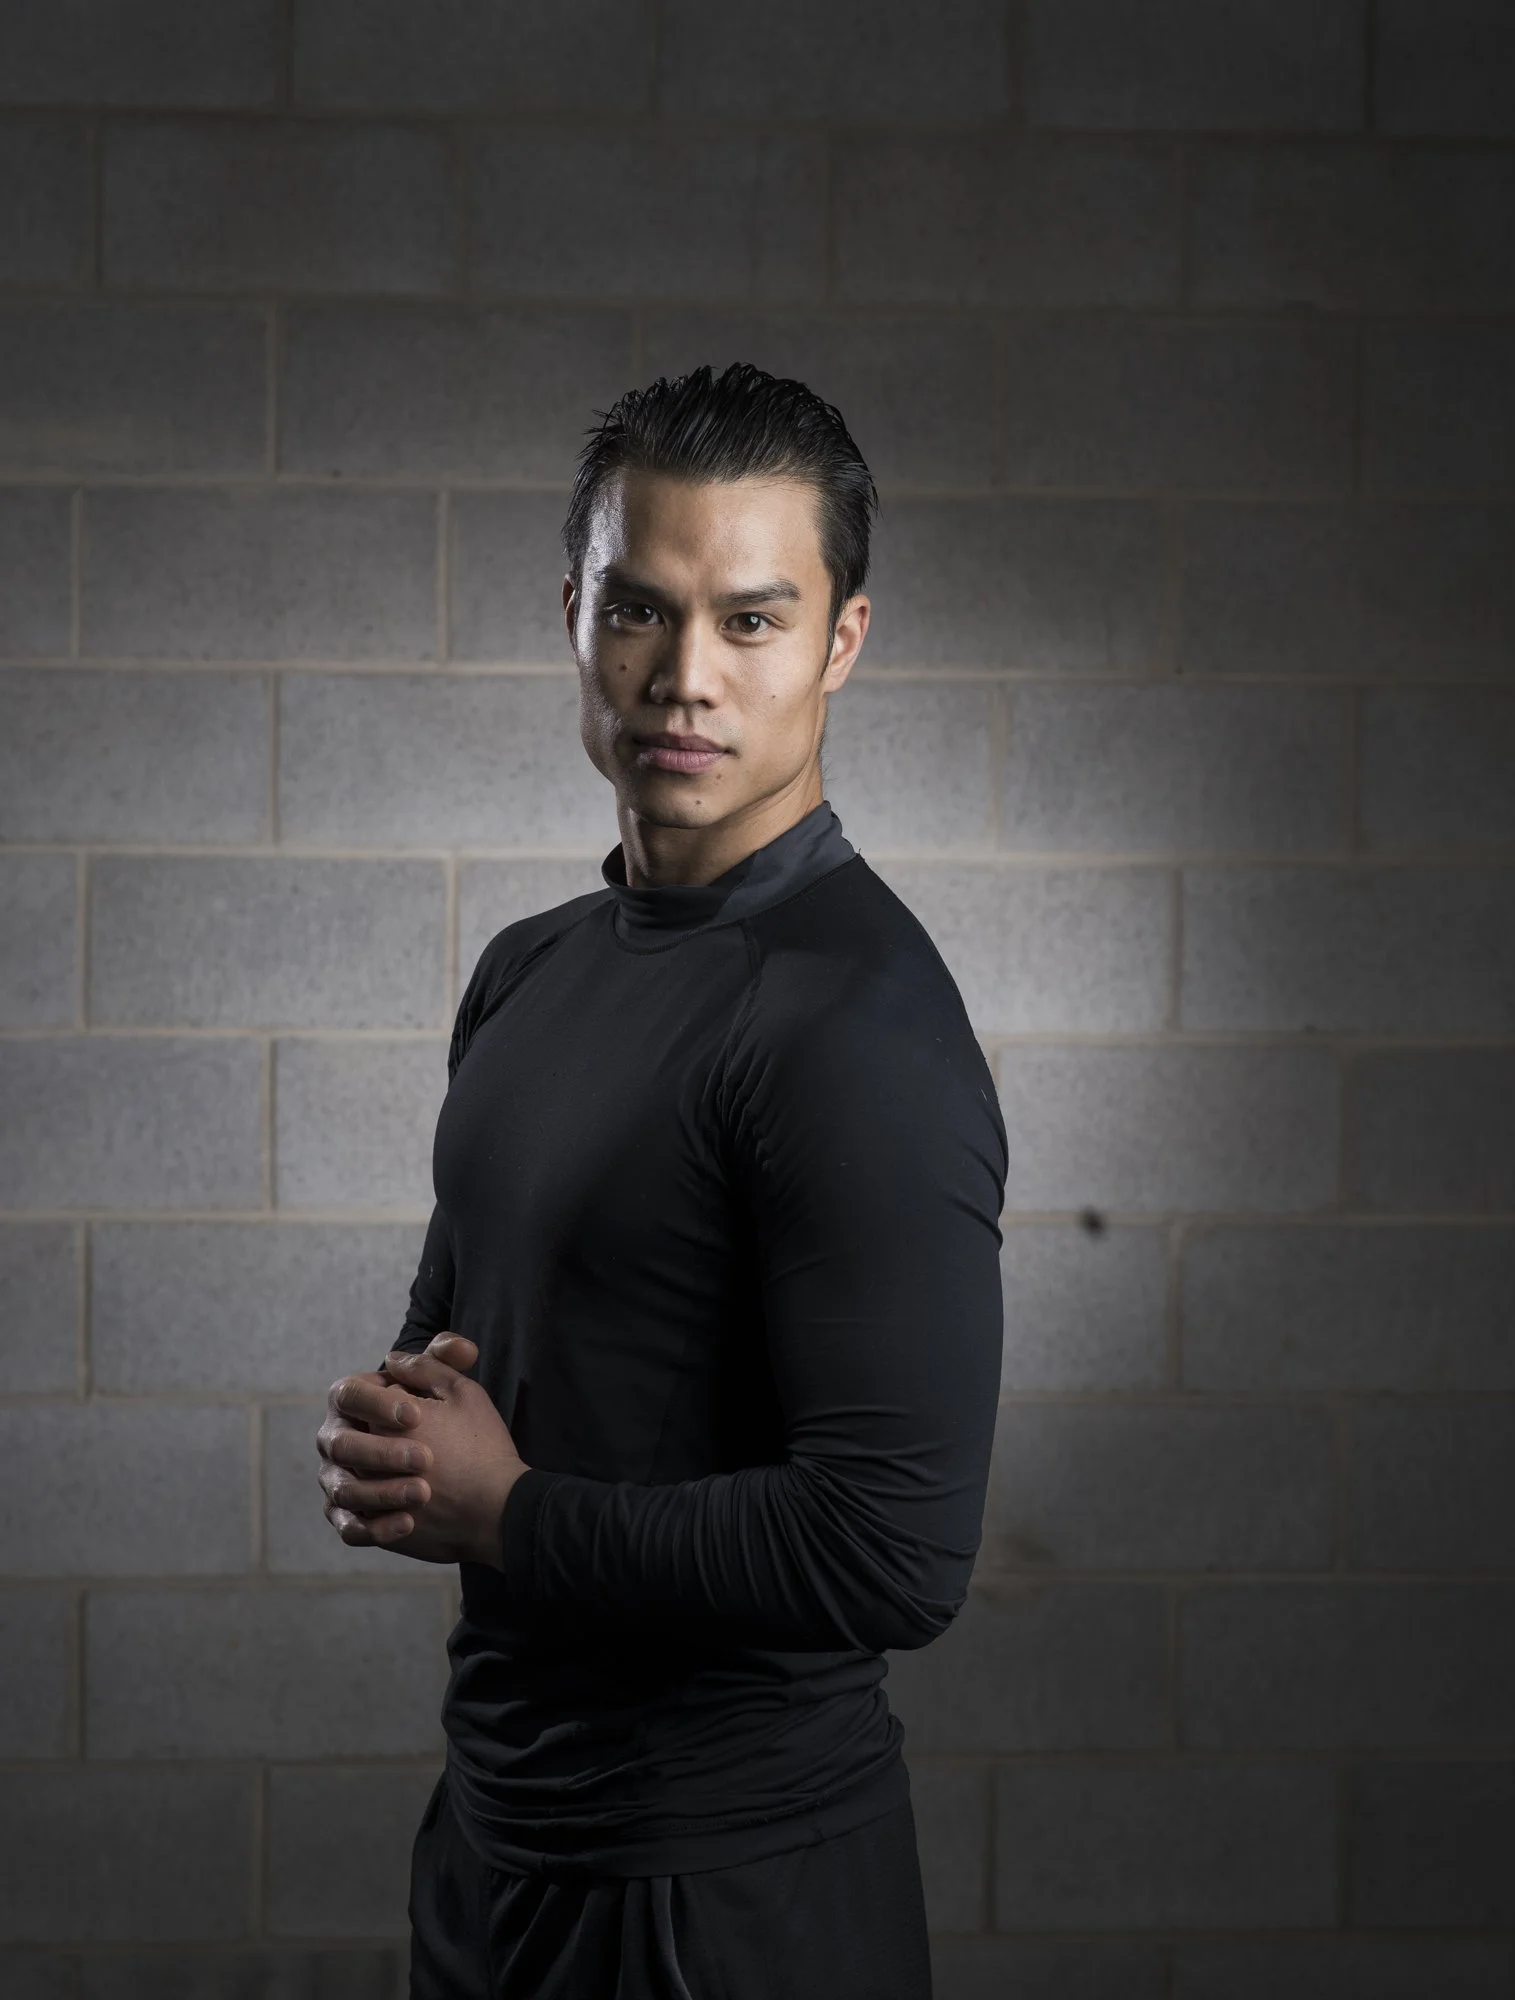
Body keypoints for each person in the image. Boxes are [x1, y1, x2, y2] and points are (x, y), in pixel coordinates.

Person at [316, 362, 1008, 1999]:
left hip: (729, 1902)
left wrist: (511, 1511)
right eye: (640, 609)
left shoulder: (854, 1025)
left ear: (841, 641)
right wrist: (405, 1432)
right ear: (576, 615)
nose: (686, 678)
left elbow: (894, 1554)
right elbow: (480, 1334)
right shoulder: (529, 968)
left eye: (752, 621)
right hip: (495, 1853)